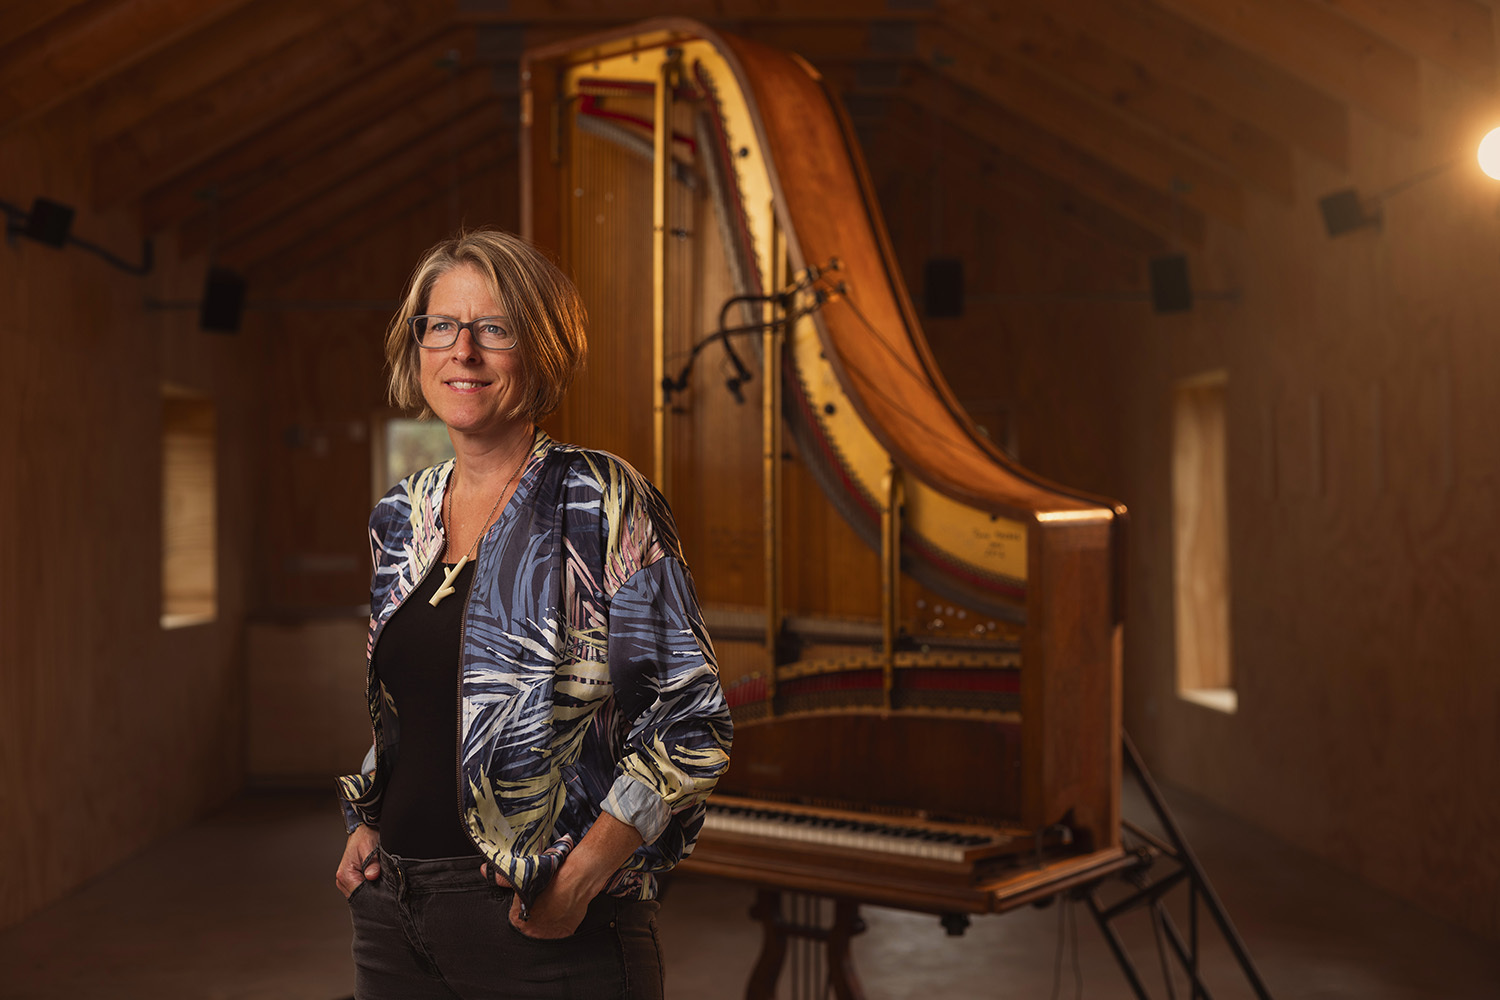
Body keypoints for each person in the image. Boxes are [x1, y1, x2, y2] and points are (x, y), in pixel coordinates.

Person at [333, 228, 732, 999]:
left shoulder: (601, 501)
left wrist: (580, 878)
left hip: (543, 928)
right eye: (442, 326)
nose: (464, 351)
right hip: (393, 918)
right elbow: (413, 708)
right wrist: (368, 819)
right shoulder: (399, 515)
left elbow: (690, 720)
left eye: (496, 329)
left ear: (540, 349)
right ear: (418, 347)